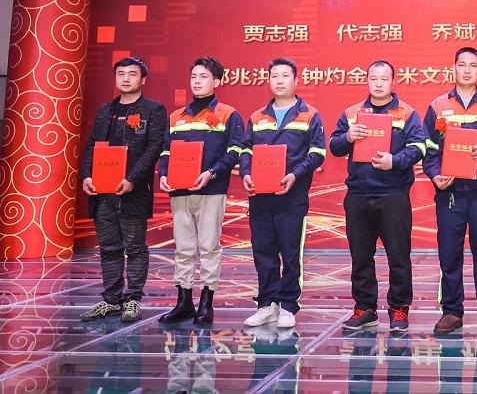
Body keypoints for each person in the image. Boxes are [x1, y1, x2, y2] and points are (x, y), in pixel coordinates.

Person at [330, 60, 427, 334]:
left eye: (384, 79)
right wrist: (348, 137)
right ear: (367, 81)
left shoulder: (407, 113)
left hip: (393, 195)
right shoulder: (352, 113)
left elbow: (419, 147)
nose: (379, 84)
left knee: (399, 256)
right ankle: (365, 308)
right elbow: (334, 146)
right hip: (358, 195)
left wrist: (394, 161)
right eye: (374, 79)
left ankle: (399, 309)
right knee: (361, 257)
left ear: (393, 82)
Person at [422, 48, 477, 334]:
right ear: (454, 68)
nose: (467, 70)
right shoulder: (438, 105)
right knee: (449, 254)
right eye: (462, 65)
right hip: (450, 193)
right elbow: (429, 150)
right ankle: (451, 311)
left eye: (473, 65)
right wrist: (435, 175)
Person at [79, 56, 168, 323]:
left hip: (133, 192)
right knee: (108, 247)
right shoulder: (105, 110)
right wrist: (86, 176)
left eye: (132, 74)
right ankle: (111, 299)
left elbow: (154, 148)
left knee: (135, 247)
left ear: (143, 79)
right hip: (102, 191)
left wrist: (132, 179)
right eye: (121, 74)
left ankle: (133, 300)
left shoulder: (153, 109)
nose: (126, 78)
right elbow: (91, 146)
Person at [240, 58, 326, 329]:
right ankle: (267, 304)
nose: (279, 80)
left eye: (285, 76)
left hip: (292, 195)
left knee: (290, 253)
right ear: (268, 81)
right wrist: (246, 173)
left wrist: (295, 175)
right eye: (274, 76)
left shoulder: (309, 114)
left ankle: (288, 305)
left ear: (296, 81)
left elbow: (317, 153)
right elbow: (246, 150)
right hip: (260, 195)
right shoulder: (257, 117)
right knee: (262, 251)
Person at [158, 57, 245, 325]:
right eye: (194, 76)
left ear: (217, 81)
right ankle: (183, 302)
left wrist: (211, 173)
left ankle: (206, 303)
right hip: (180, 190)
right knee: (183, 248)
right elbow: (166, 151)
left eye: (203, 76)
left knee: (209, 247)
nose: (197, 81)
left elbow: (235, 151)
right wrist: (163, 174)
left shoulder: (228, 114)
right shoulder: (176, 116)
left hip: (211, 190)